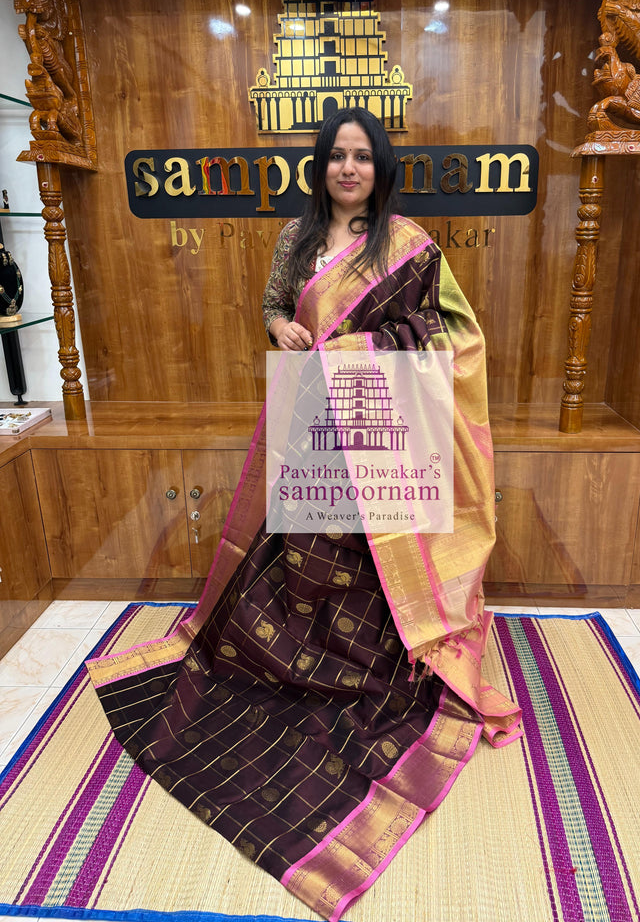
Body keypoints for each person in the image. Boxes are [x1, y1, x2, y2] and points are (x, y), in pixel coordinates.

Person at [87, 107, 521, 922]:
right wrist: (284, 327)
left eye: (362, 157)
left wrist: (362, 346)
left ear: (380, 168)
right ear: (320, 167)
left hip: (386, 431)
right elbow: (275, 307)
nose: (349, 168)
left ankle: (373, 669)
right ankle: (297, 660)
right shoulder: (297, 238)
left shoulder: (408, 245)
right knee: (301, 555)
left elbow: (455, 335)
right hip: (315, 420)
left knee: (374, 560)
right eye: (337, 157)